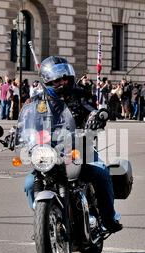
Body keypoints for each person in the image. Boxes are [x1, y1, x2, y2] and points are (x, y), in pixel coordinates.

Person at [23, 56, 122, 233]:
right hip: (49, 152)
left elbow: (92, 111)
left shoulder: (80, 95)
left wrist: (96, 118)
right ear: (48, 81)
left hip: (80, 147)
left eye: (65, 78)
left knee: (100, 172)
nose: (62, 83)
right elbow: (26, 122)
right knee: (30, 183)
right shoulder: (37, 101)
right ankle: (43, 223)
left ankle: (108, 217)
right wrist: (15, 135)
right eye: (57, 80)